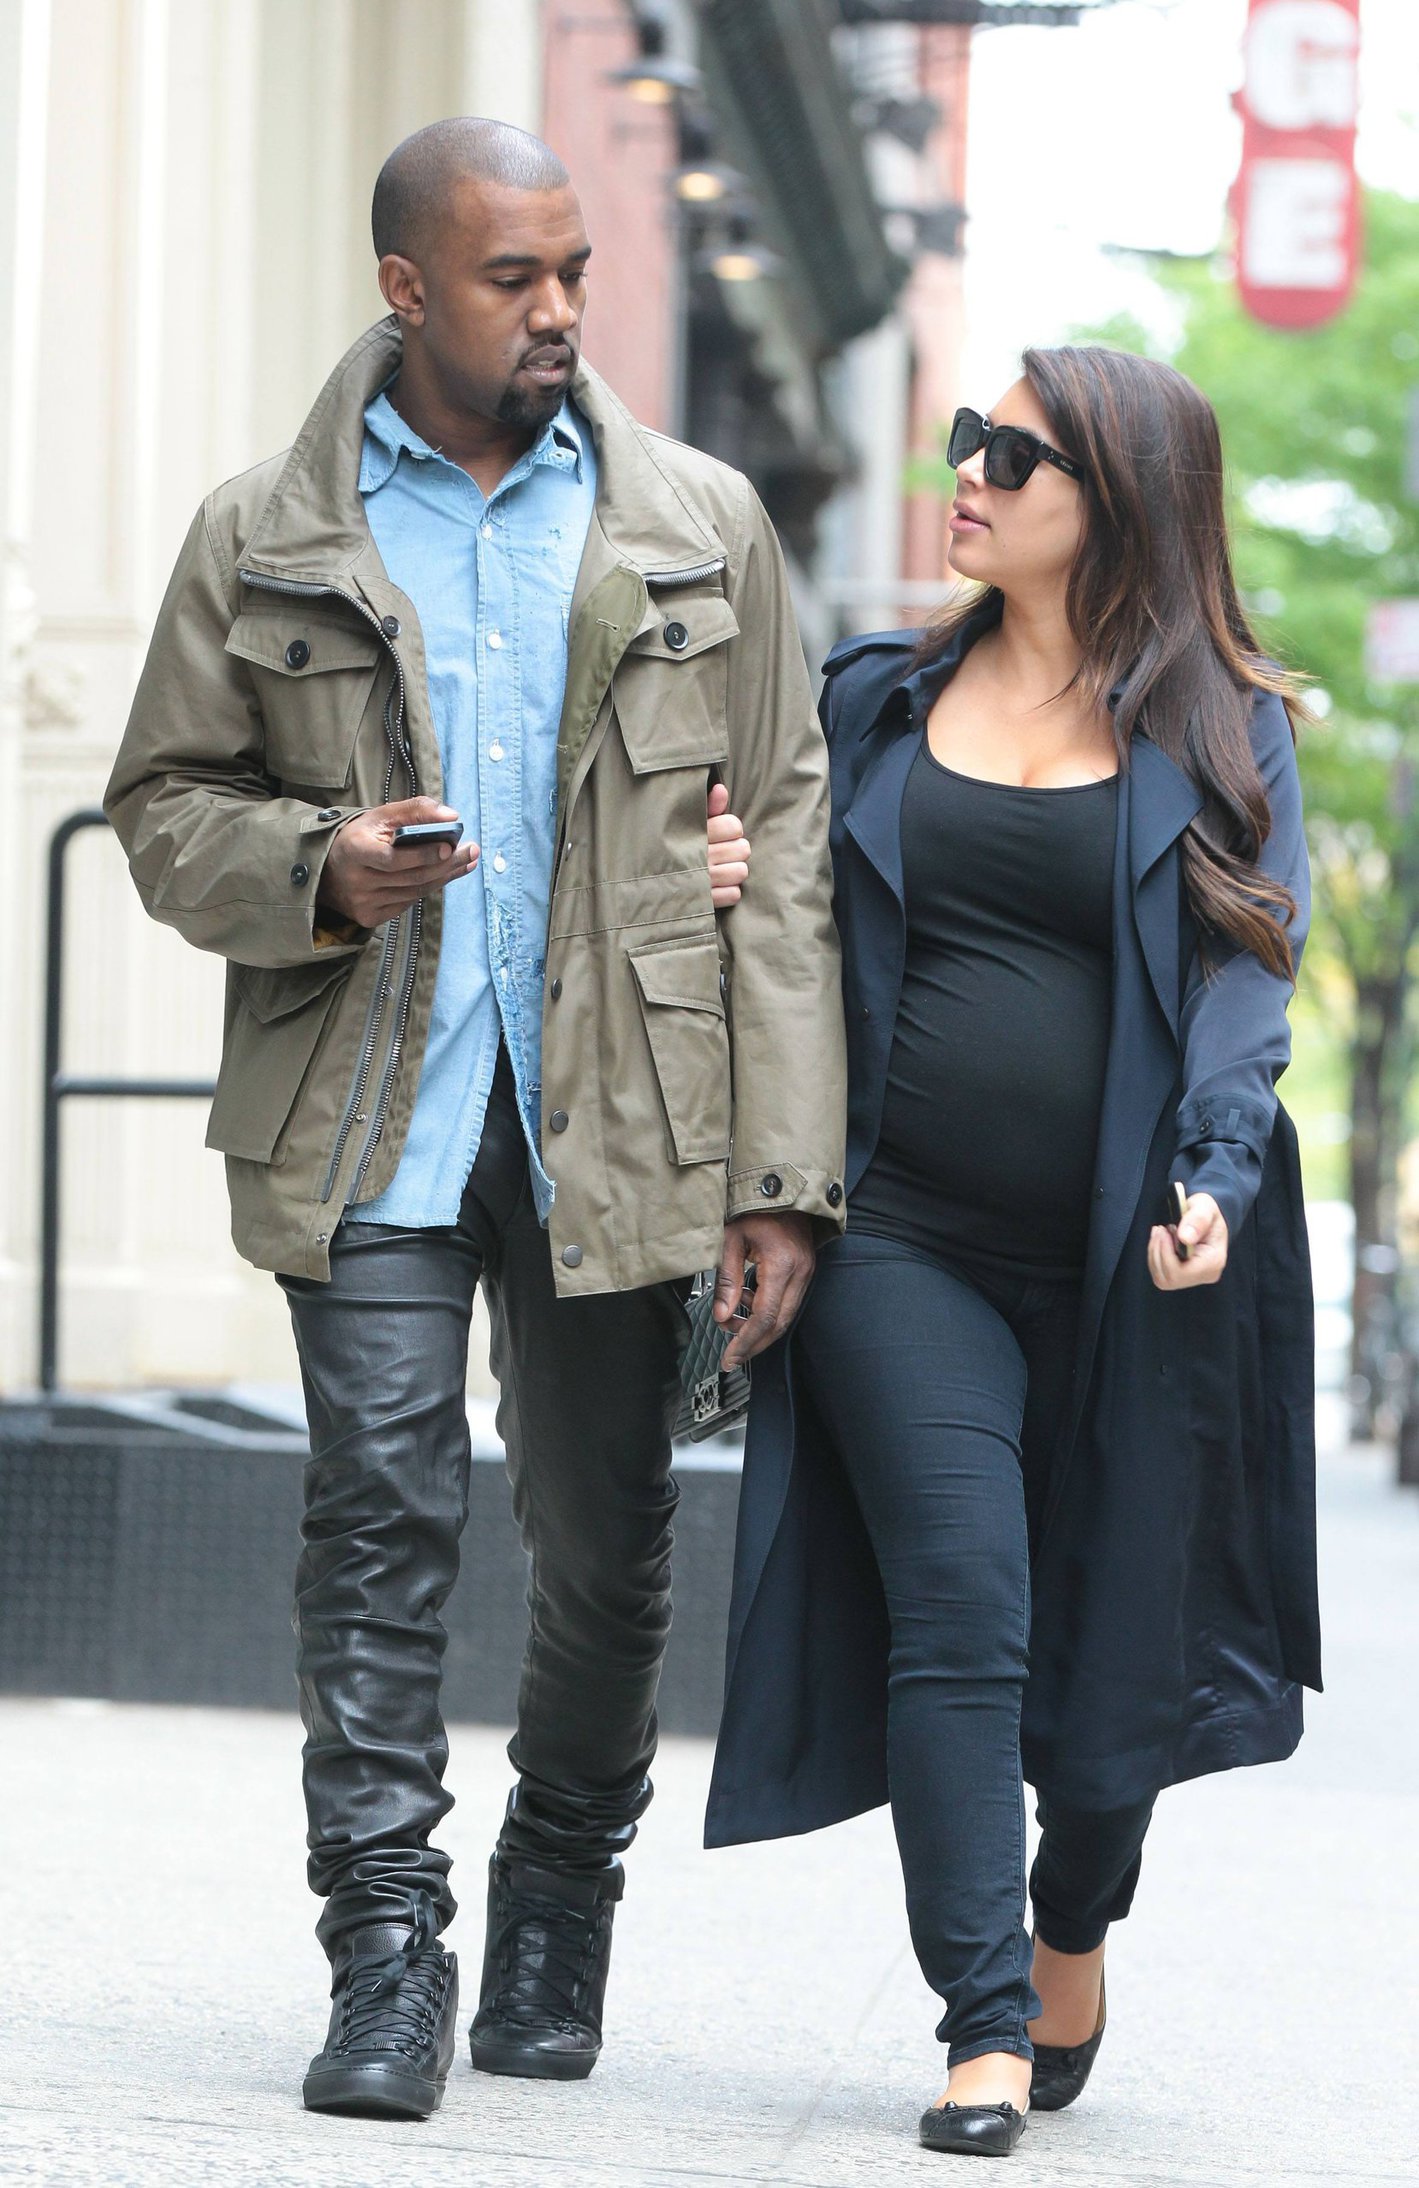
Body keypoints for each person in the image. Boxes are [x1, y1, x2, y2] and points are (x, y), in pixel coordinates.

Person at [105, 118, 846, 2120]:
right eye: (509, 276)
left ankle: (551, 1902)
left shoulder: (694, 517)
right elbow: (164, 810)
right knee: (378, 1516)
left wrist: (779, 1169)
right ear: (405, 289)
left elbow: (775, 836)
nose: (556, 308)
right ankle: (382, 1950)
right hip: (367, 1106)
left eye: (573, 270)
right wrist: (316, 862)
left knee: (603, 1549)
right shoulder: (265, 530)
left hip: (623, 1106)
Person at [705, 346, 1320, 2158]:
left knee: (1113, 1675)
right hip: (902, 1241)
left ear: (1114, 498)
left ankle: (1071, 1921)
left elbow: (1242, 984)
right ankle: (981, 2020)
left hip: (1142, 1269)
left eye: (1010, 453)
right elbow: (786, 927)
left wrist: (1217, 1172)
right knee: (961, 1616)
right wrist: (739, 881)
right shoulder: (879, 698)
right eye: (965, 440)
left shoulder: (1224, 728)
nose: (962, 470)